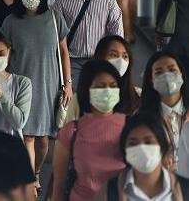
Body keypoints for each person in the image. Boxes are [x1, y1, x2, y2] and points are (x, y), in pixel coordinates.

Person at [0, 0, 72, 193]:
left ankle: (37, 171)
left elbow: (64, 51)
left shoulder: (54, 17)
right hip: (22, 87)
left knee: (43, 140)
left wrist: (68, 83)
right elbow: (3, 54)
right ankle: (30, 181)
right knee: (28, 136)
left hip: (48, 85)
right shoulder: (11, 22)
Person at [51, 60, 126, 201]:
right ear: (87, 90)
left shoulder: (131, 127)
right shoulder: (71, 131)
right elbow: (58, 186)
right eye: (100, 86)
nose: (108, 91)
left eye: (113, 86)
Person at [53, 0, 123, 91]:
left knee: (99, 98)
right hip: (73, 62)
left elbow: (117, 30)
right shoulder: (61, 2)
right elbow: (56, 35)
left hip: (100, 60)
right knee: (76, 102)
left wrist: (115, 56)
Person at [95, 112, 189, 200]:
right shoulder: (109, 192)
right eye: (133, 143)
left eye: (148, 142)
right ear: (125, 150)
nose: (141, 148)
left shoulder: (185, 190)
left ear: (161, 146)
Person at [65, 35, 141, 123]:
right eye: (113, 55)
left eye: (125, 56)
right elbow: (68, 132)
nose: (120, 61)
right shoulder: (78, 100)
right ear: (100, 57)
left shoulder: (139, 96)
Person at [139, 52, 189, 173]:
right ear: (151, 80)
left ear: (182, 74)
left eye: (172, 70)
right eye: (159, 72)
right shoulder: (142, 118)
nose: (167, 76)